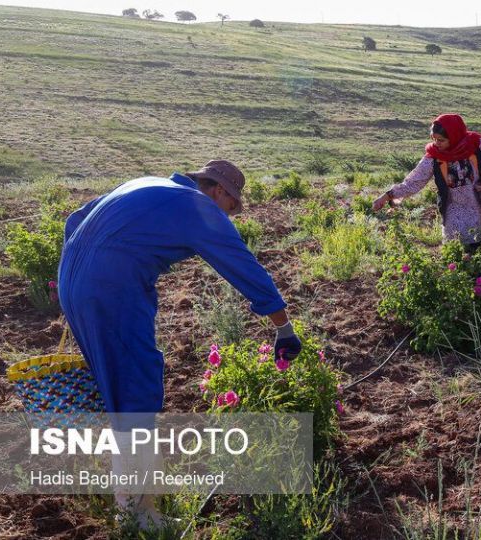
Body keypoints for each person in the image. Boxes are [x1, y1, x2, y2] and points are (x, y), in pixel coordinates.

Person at [57, 159, 302, 527]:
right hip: (112, 286)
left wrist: (80, 284)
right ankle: (138, 514)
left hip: (74, 277)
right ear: (218, 190)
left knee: (121, 388)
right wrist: (283, 327)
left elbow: (75, 220)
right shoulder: (199, 206)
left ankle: (132, 497)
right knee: (137, 386)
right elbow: (243, 266)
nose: (229, 216)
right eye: (231, 207)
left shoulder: (148, 183)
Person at [372, 114, 481, 248]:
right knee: (461, 258)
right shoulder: (433, 157)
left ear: (454, 136)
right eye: (434, 139)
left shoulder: (476, 144)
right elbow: (413, 182)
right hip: (456, 215)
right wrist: (387, 196)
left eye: (442, 140)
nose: (437, 143)